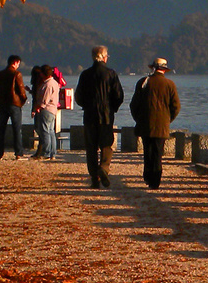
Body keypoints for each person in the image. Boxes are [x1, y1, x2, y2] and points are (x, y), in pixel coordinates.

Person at [75, 45, 125, 186]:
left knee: (91, 147)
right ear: (104, 57)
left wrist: (85, 105)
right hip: (106, 115)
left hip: (90, 114)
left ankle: (94, 178)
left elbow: (78, 96)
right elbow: (119, 95)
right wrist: (112, 107)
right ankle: (103, 168)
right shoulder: (111, 74)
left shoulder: (85, 74)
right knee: (106, 144)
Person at [131, 58, 180, 190]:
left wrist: (138, 119)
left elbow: (134, 105)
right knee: (158, 153)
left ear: (152, 68)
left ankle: (148, 176)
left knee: (148, 151)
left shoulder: (143, 82)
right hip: (162, 125)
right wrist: (168, 119)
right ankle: (156, 180)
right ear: (164, 70)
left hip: (145, 123)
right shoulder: (170, 84)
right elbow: (176, 106)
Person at [0, 54, 27, 160]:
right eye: (18, 64)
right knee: (16, 128)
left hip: (2, 104)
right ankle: (18, 152)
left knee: (1, 128)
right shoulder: (16, 74)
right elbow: (21, 90)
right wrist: (23, 101)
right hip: (14, 104)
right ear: (15, 63)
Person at [32, 65, 61, 162]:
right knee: (51, 131)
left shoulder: (48, 84)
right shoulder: (55, 83)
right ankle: (53, 152)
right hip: (53, 109)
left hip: (46, 109)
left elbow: (45, 99)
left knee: (45, 131)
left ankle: (47, 152)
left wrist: (38, 107)